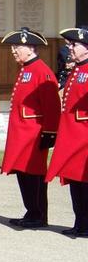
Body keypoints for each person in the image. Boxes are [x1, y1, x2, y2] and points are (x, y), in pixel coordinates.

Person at [0, 27, 60, 228]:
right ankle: (31, 211)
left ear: (30, 48)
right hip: (23, 133)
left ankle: (39, 214)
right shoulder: (26, 69)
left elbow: (52, 107)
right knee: (23, 173)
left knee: (34, 175)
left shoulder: (41, 71)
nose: (13, 51)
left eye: (17, 46)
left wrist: (50, 133)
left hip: (33, 134)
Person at [46, 25, 88, 237]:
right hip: (73, 135)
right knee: (75, 182)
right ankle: (80, 222)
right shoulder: (77, 70)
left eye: (74, 44)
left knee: (85, 182)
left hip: (84, 137)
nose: (70, 48)